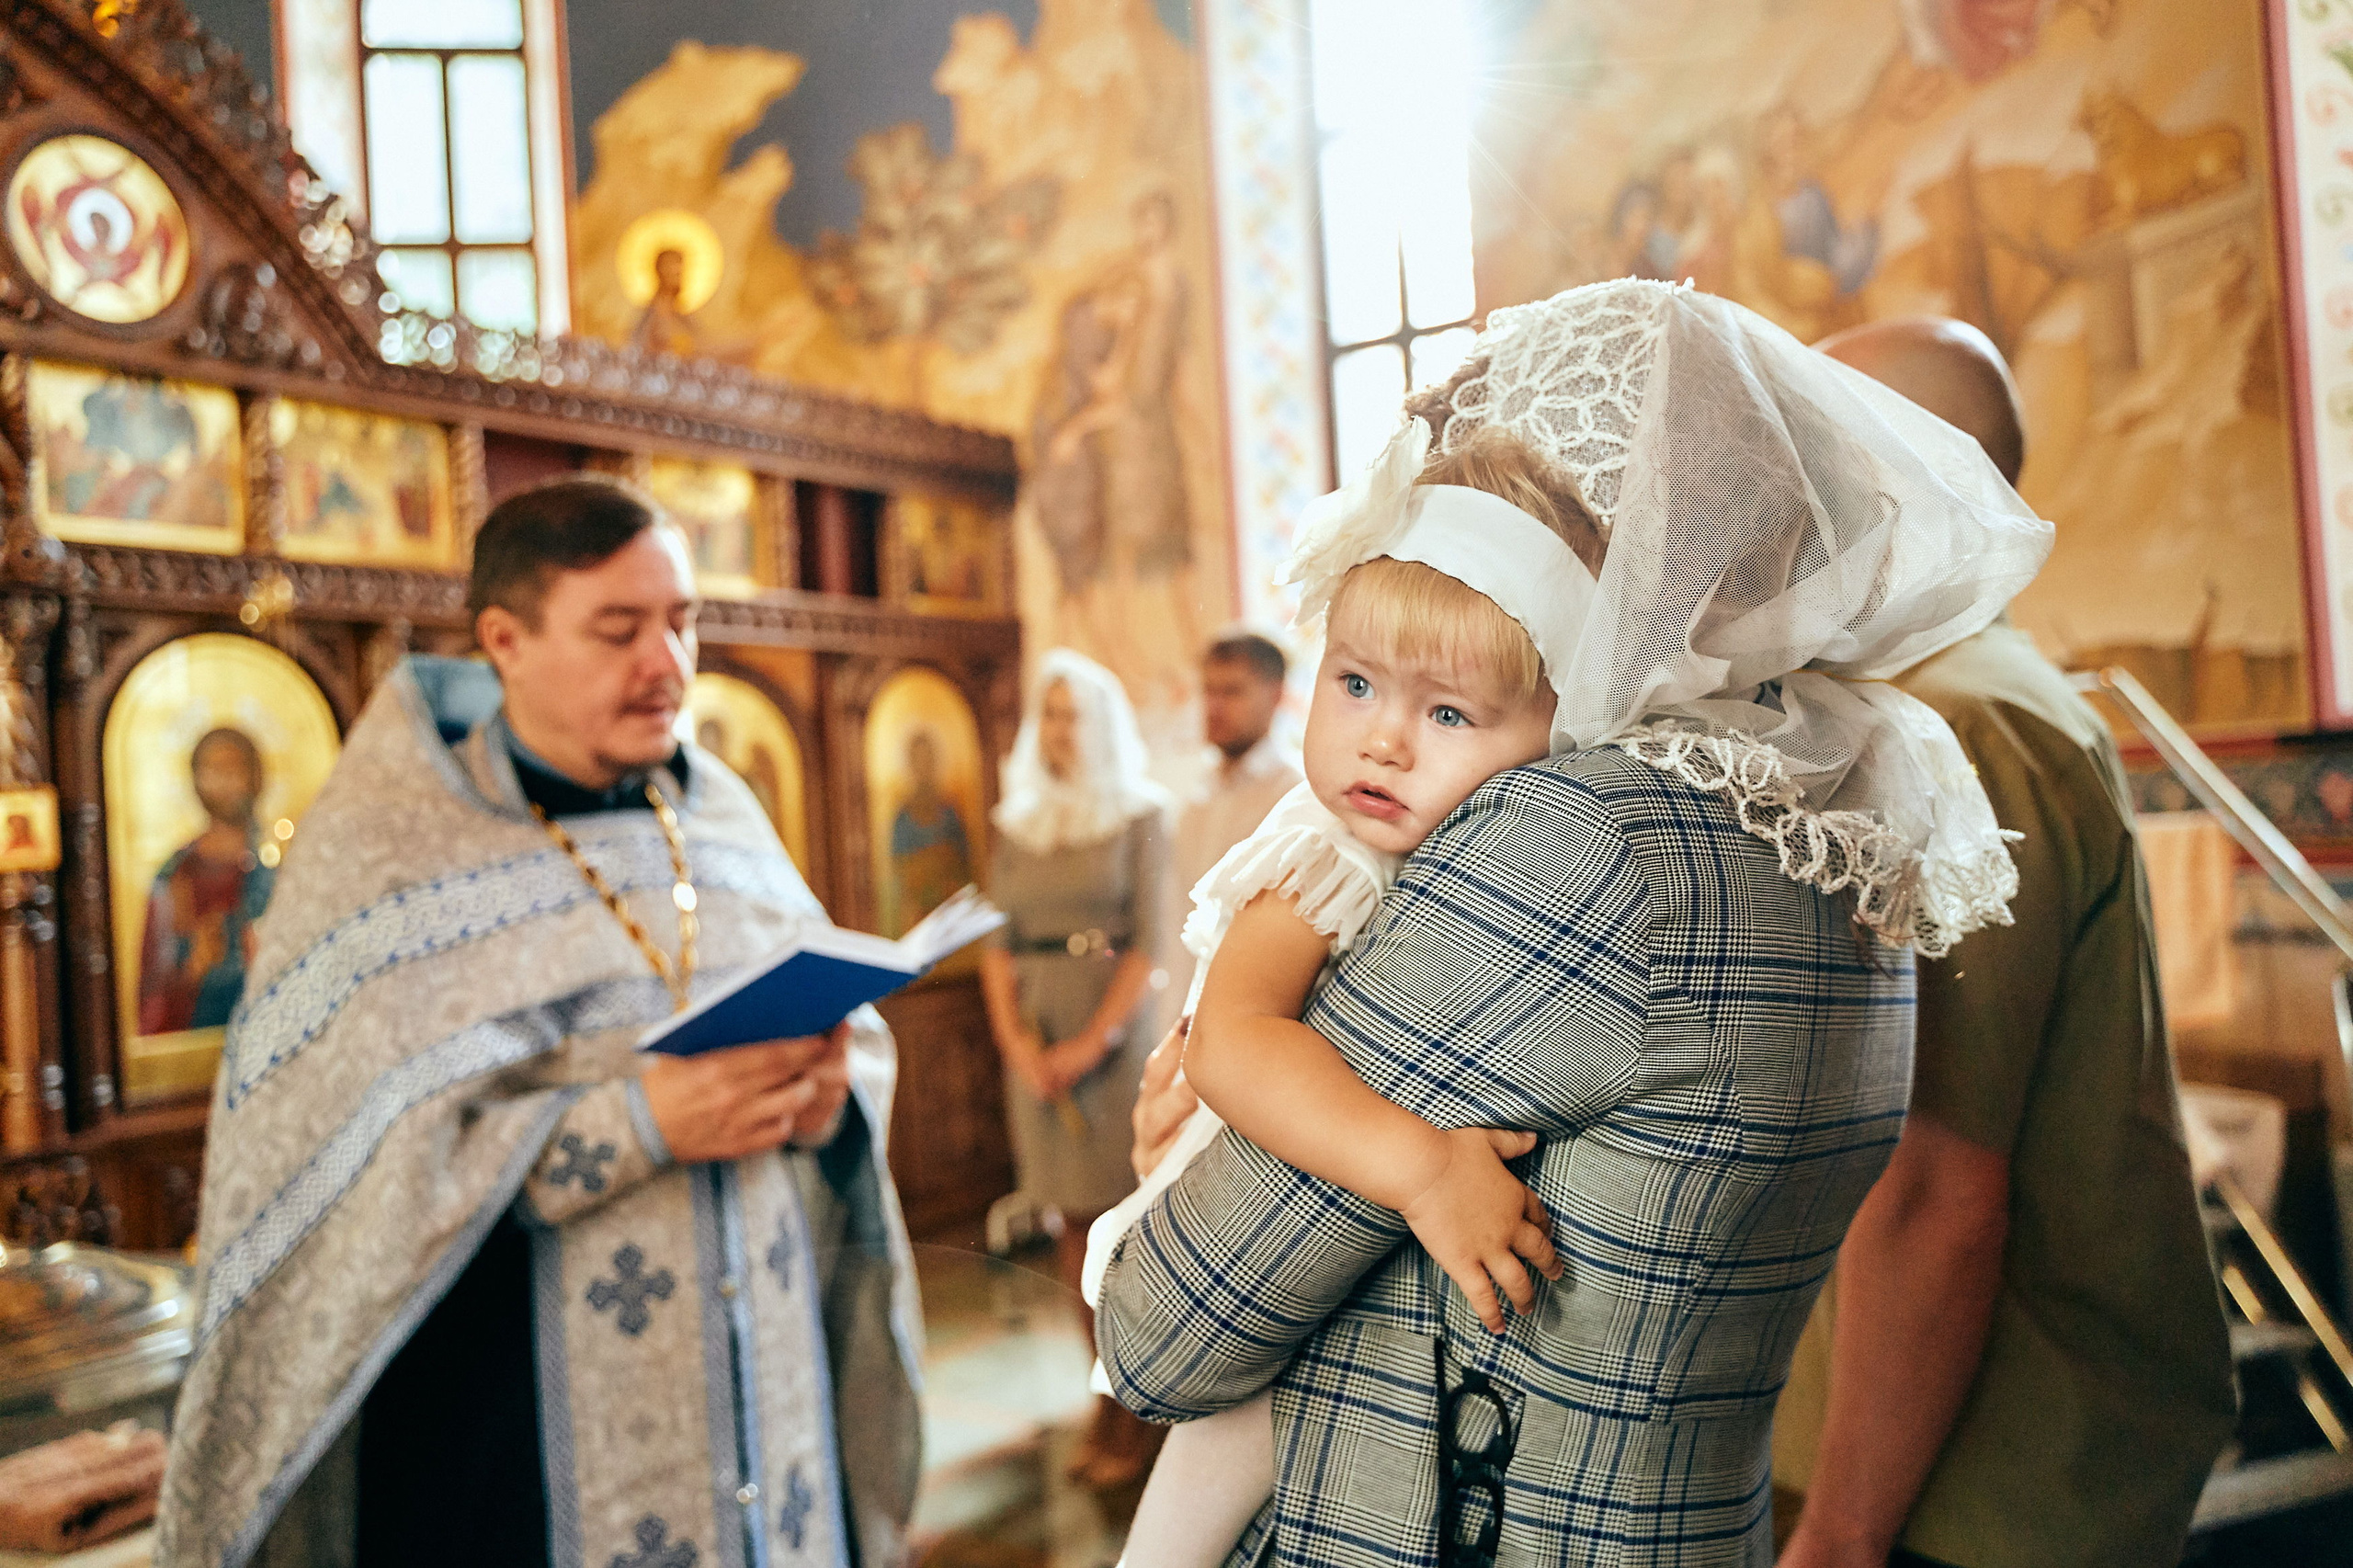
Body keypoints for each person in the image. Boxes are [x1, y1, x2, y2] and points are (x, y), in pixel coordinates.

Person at [1096, 278, 2053, 1562]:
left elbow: (1162, 1331)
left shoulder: (1577, 827)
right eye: (1361, 682)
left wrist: (1193, 1172)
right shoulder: (1844, 816)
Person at [158, 477, 923, 1568]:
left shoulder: (719, 811)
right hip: (509, 1432)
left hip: (770, 1400)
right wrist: (638, 1122)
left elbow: (844, 1047)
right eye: (619, 629)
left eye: (681, 620)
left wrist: (825, 1092)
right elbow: (349, 1178)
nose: (667, 663)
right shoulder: (389, 848)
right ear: (505, 640)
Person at [1086, 424, 1601, 1568]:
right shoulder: (1331, 856)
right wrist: (1423, 1167)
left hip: (1324, 1217)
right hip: (1236, 1215)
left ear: (1558, 740)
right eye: (1356, 682)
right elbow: (1228, 1042)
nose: (1382, 739)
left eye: (1448, 714)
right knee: (1197, 1491)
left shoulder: (1506, 852)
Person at [1776, 316, 2234, 1568]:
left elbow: (1936, 1181)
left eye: (1812, 444)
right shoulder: (1947, 696)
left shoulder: (1960, 724)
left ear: (1908, 473)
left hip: (1988, 1482)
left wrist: (1840, 1534)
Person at [978, 647, 1171, 1489]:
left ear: (1105, 722)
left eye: (1075, 712)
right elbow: (993, 941)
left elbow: (1154, 942)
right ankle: (1101, 1400)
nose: (1060, 728)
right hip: (1035, 1043)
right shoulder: (1013, 820)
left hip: (1111, 1040)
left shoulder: (1139, 813)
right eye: (1048, 711)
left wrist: (1091, 1044)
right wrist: (1019, 1047)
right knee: (1066, 1231)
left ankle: (1138, 1410)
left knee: (1119, 1230)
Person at [137, 728, 273, 1036]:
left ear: (256, 775)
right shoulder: (178, 875)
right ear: (197, 780)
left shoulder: (279, 863)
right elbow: (155, 989)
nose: (226, 779)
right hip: (204, 1028)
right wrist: (194, 968)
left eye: (235, 766)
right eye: (215, 769)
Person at [884, 729, 973, 937]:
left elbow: (964, 863)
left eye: (928, 759)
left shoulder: (949, 812)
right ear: (911, 765)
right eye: (918, 760)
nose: (923, 766)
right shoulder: (902, 819)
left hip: (952, 911)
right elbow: (900, 868)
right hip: (918, 916)